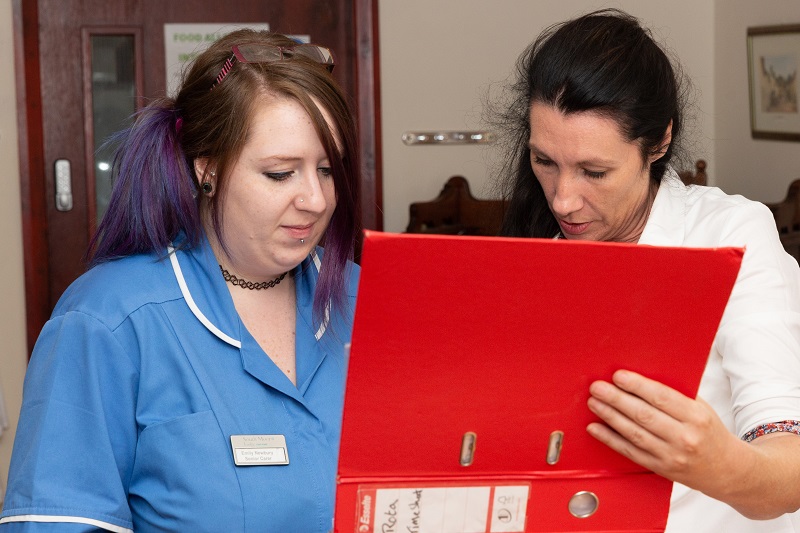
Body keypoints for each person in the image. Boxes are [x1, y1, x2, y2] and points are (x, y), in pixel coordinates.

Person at [0, 28, 360, 532]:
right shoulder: (108, 321)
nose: (316, 200)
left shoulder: (366, 300)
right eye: (281, 173)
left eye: (326, 170)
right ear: (206, 168)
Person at [494, 9, 800, 533]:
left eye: (595, 171)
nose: (564, 200)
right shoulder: (539, 258)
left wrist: (720, 467)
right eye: (544, 162)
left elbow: (789, 466)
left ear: (658, 143)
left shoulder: (731, 236)